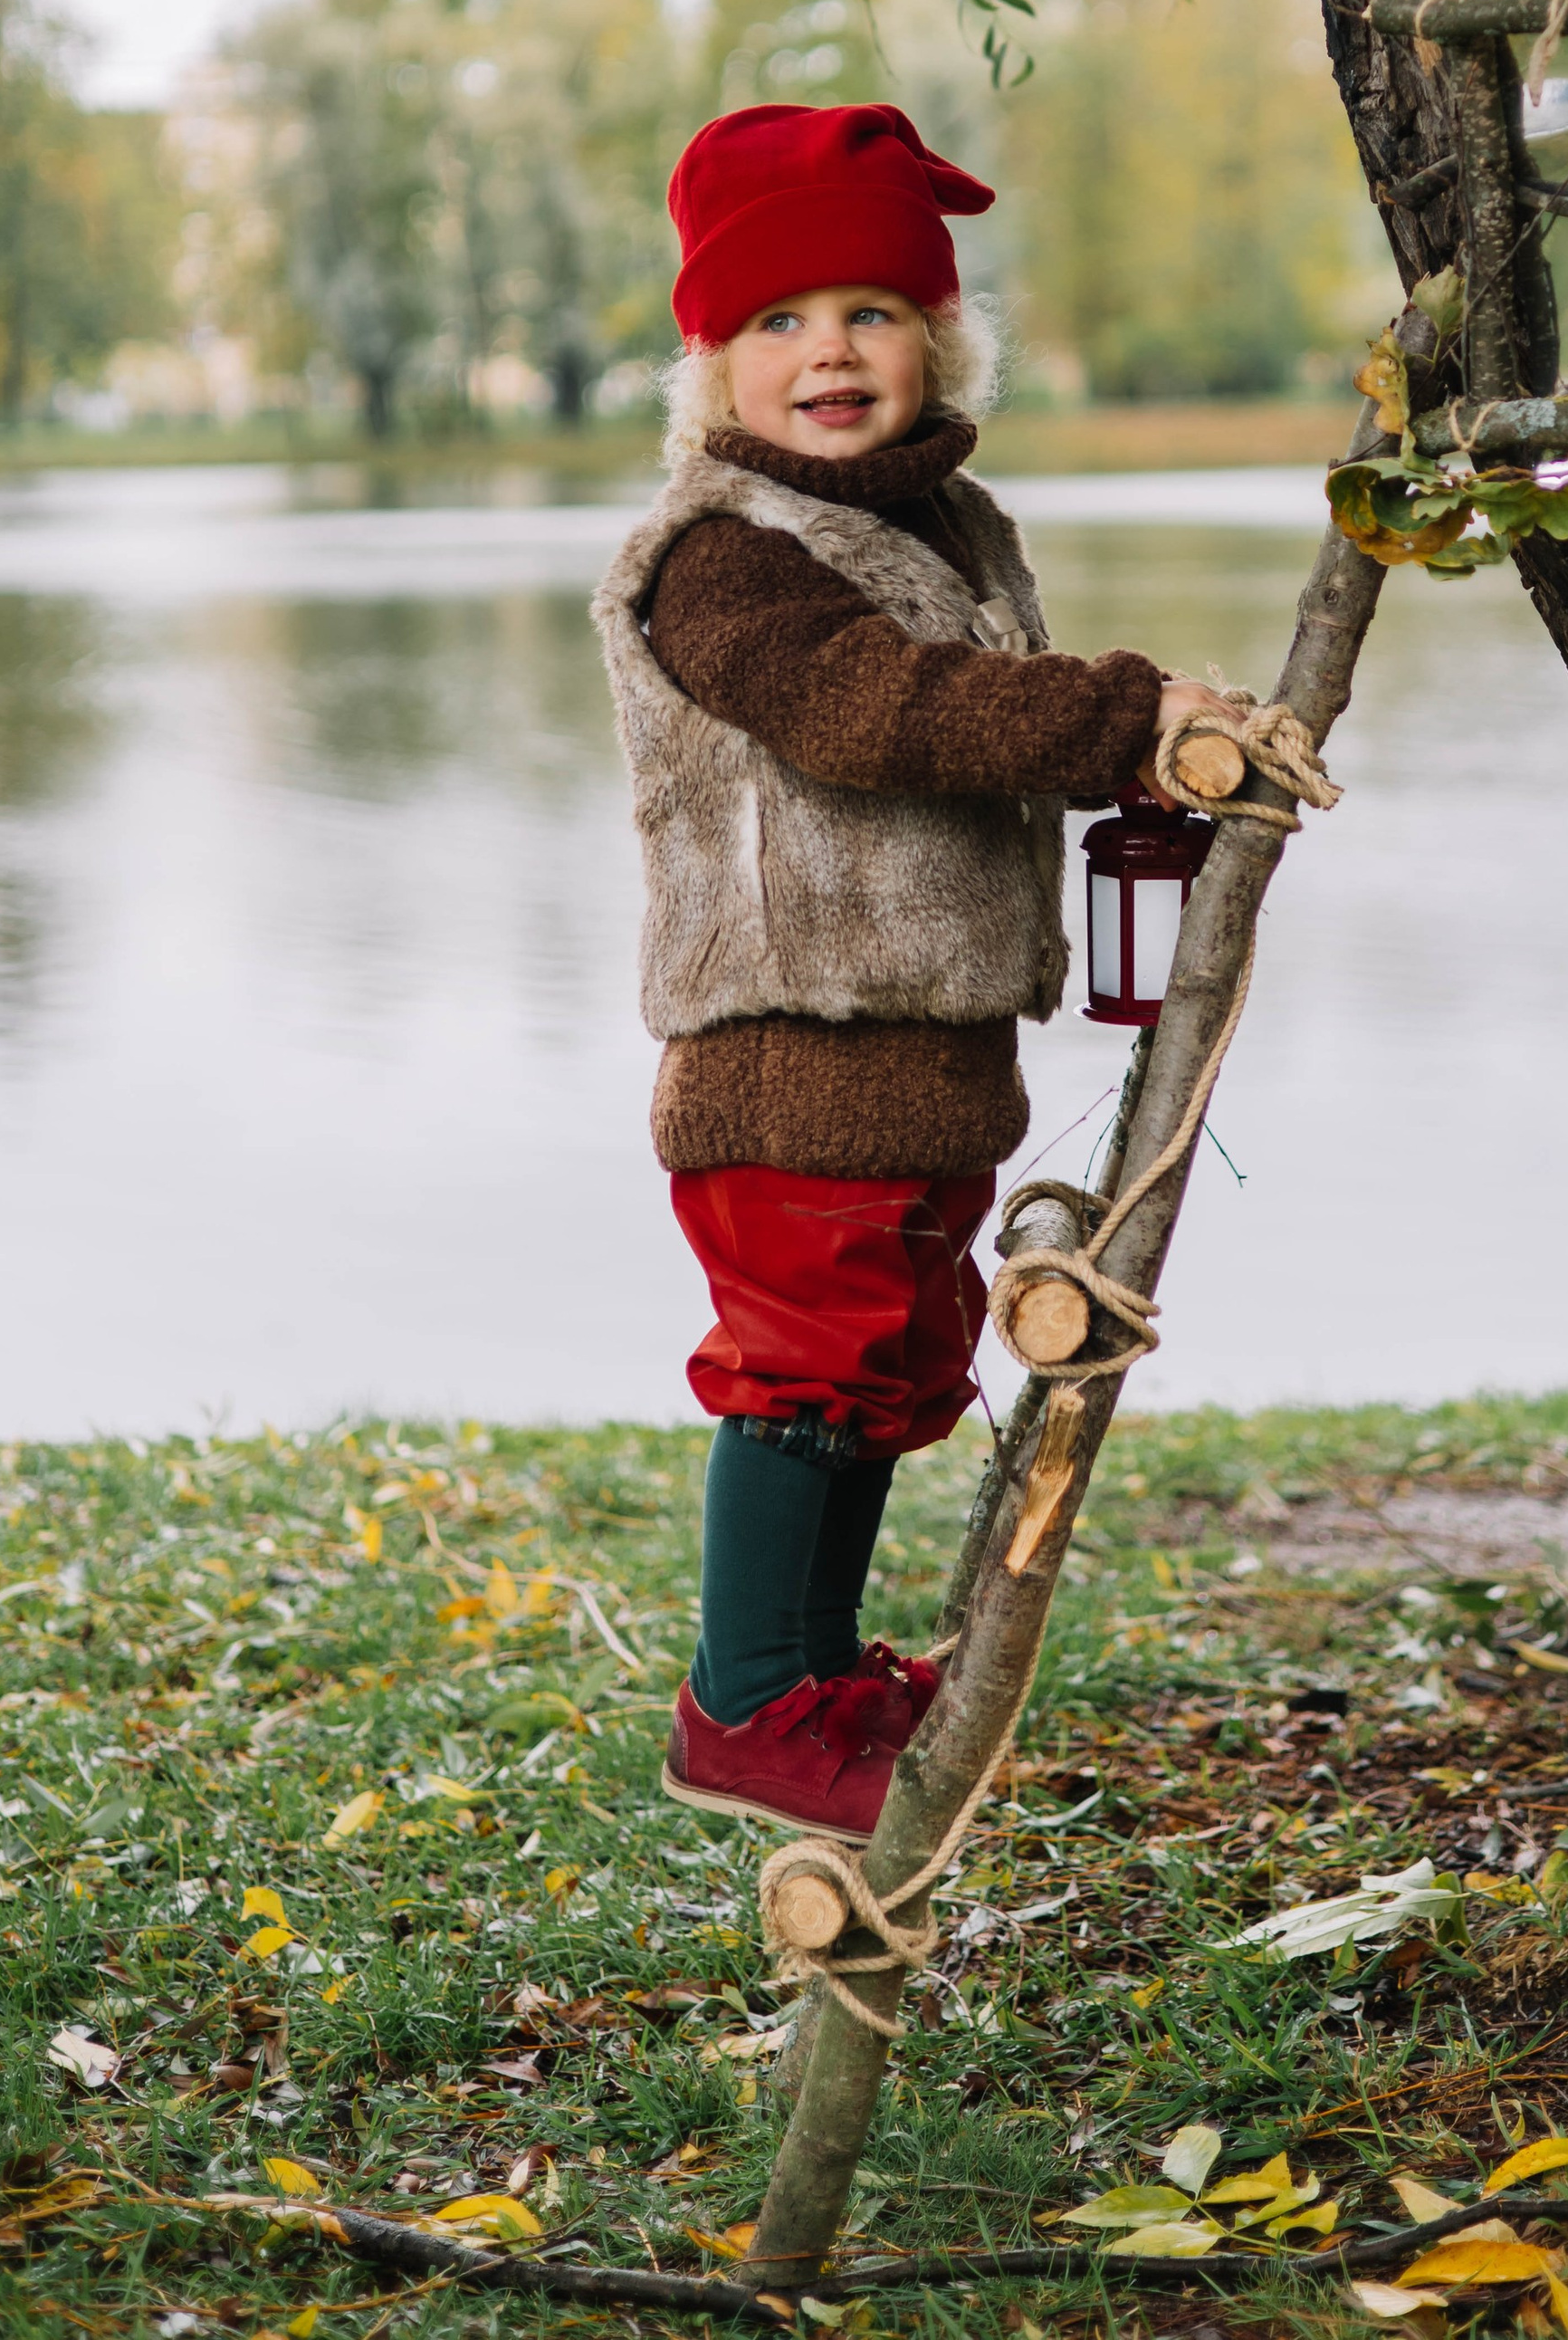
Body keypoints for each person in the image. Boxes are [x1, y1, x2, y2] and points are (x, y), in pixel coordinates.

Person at [593, 101, 1241, 1842]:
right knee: (804, 1368)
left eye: (872, 313)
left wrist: (1141, 749)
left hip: (925, 1052)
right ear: (714, 367)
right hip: (790, 1047)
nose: (829, 352)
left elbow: (965, 708)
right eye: (778, 324)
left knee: (886, 1365)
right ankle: (743, 1704)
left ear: (940, 339)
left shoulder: (948, 526)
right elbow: (868, 711)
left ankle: (809, 1672)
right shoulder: (722, 559)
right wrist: (1123, 711)